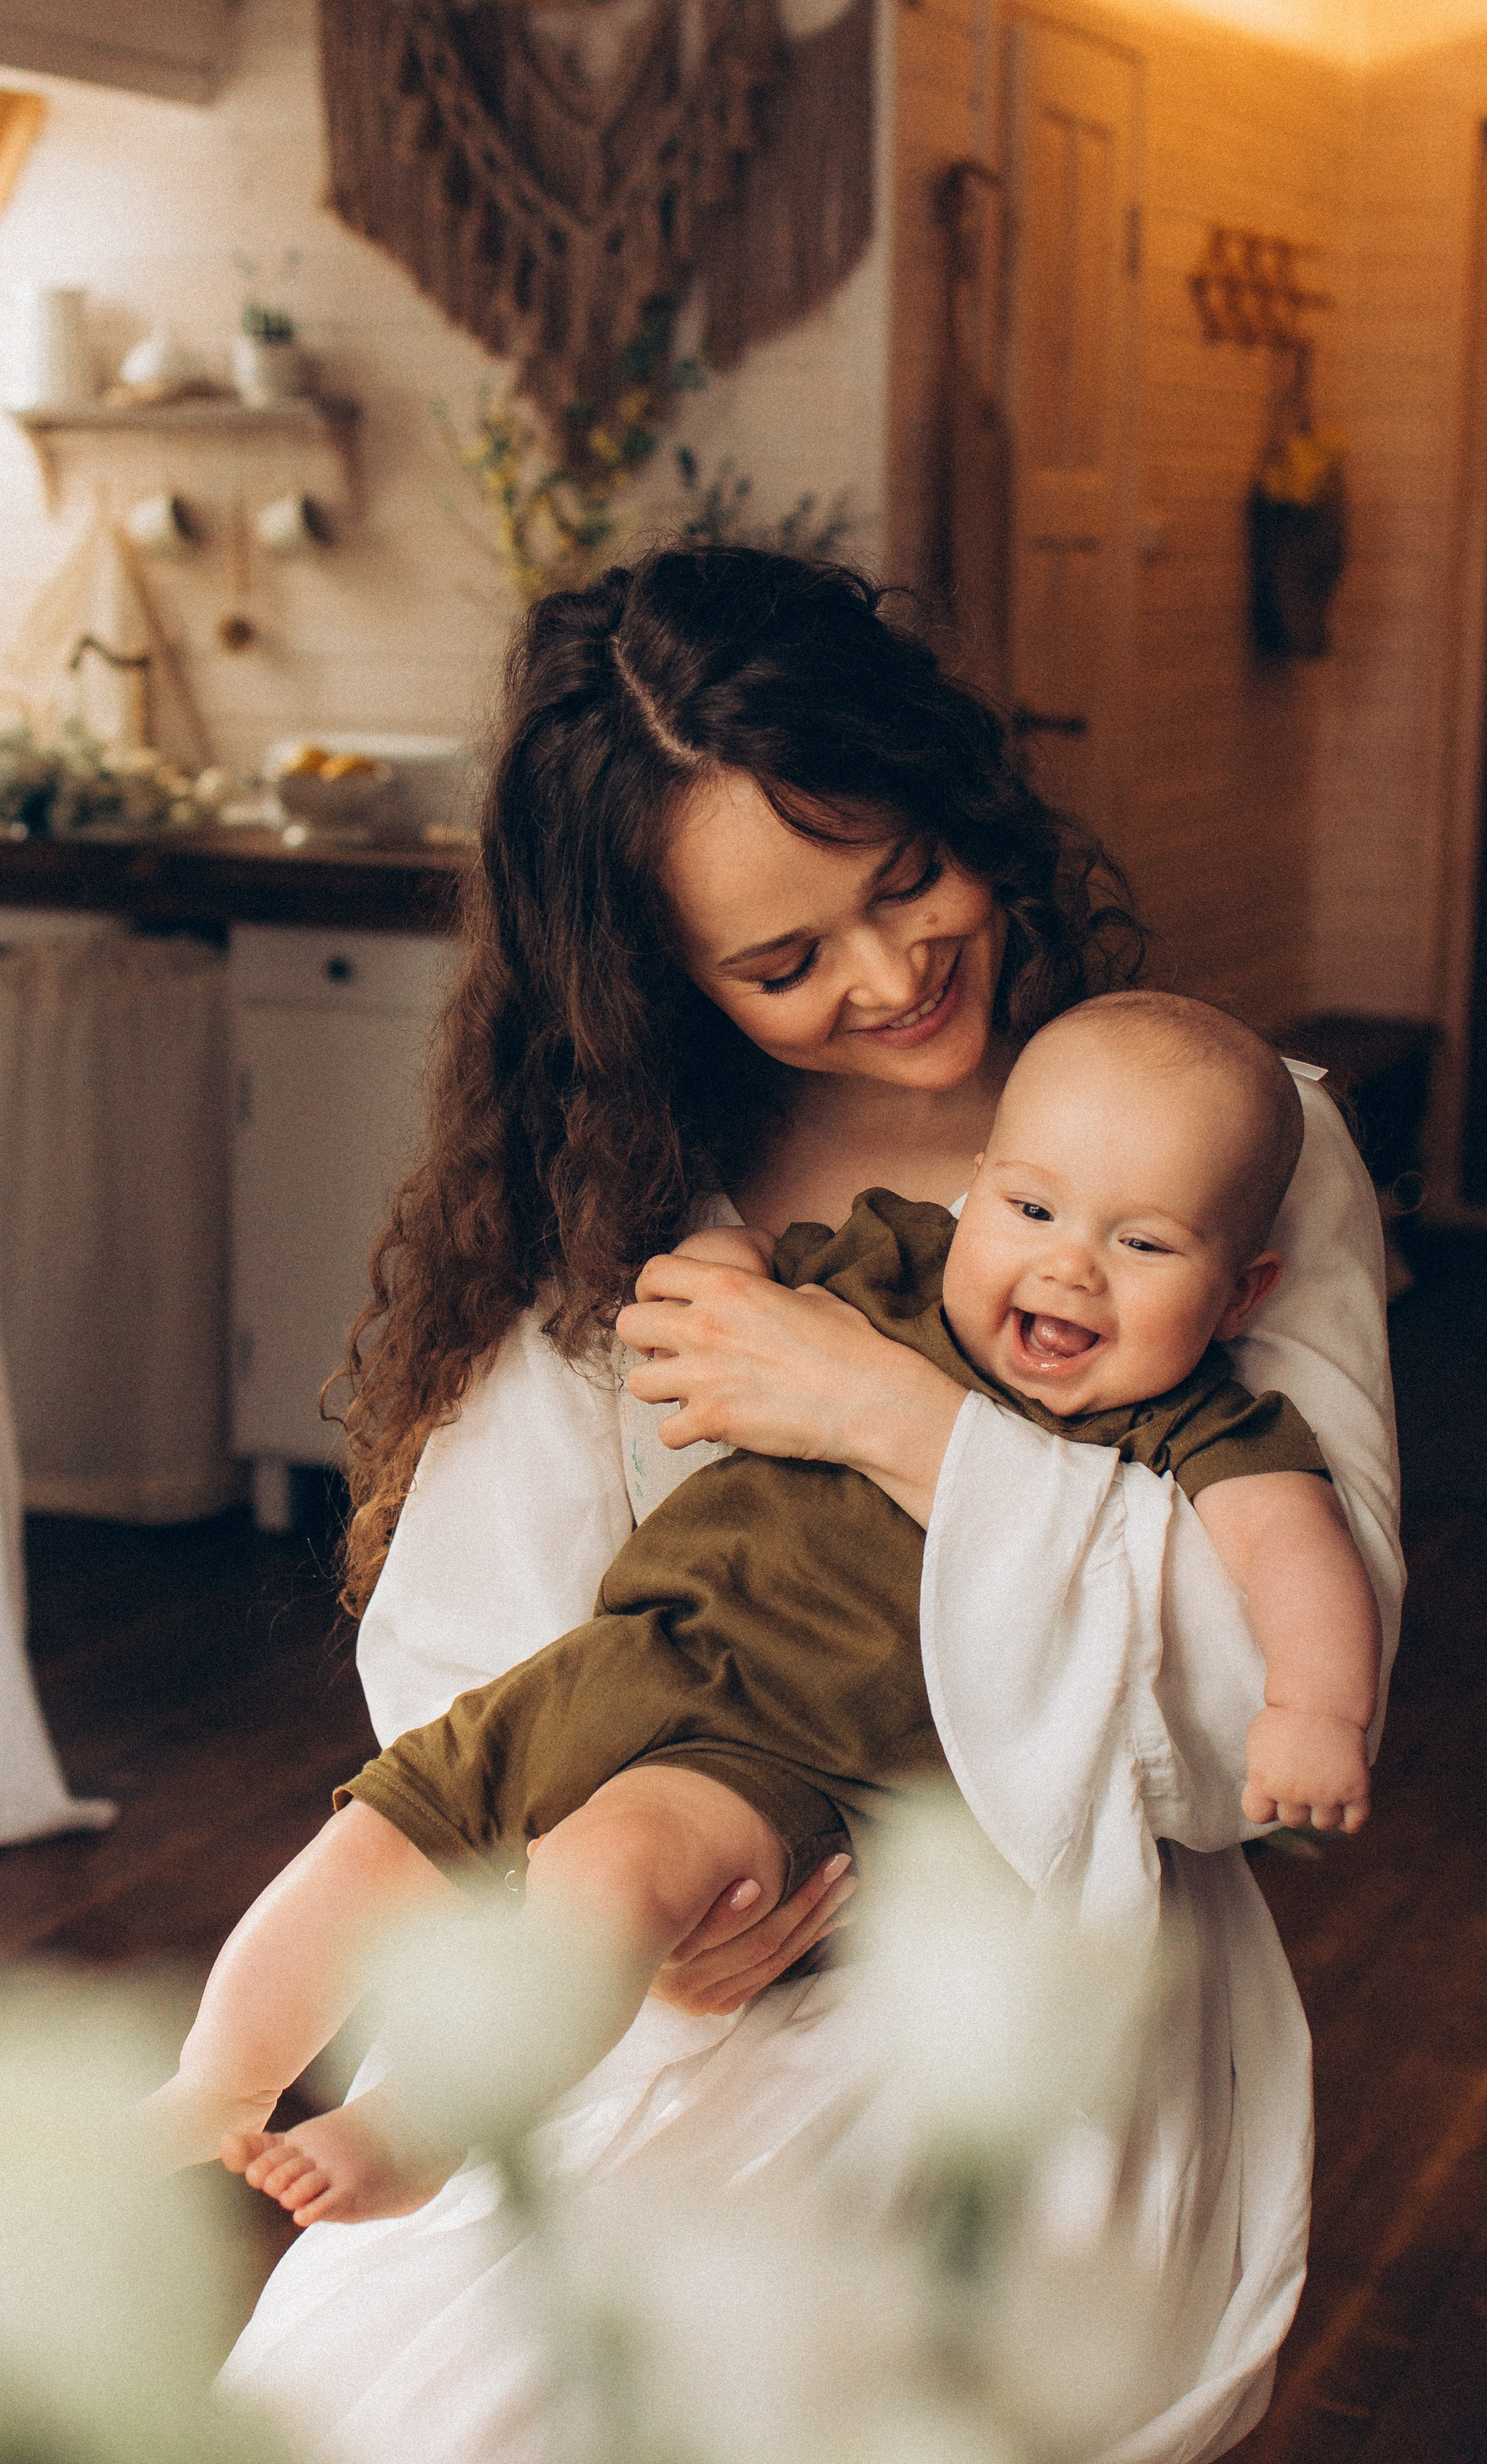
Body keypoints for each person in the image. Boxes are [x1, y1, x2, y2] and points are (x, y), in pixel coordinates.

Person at [219, 548, 1402, 2464]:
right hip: (663, 1948)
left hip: (1018, 1967)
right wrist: (646, 1916)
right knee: (375, 2402)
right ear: (661, 982)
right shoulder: (616, 1198)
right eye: (782, 965)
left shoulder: (1233, 1150)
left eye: (906, 876)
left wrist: (894, 1417)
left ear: (957, 796)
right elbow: (477, 1662)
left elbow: (1242, 1729)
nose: (891, 972)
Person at [160, 992, 1379, 2232]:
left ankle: (431, 2121)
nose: (1070, 1266)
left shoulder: (1190, 1418)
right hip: (632, 1657)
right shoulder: (891, 1266)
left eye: (1145, 1245)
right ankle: (222, 2079)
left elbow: (1297, 1548)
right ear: (977, 1189)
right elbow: (726, 1297)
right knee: (384, 1828)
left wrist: (1315, 1710)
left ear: (1242, 1293)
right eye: (1031, 1211)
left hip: (796, 1761)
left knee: (608, 1874)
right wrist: (724, 1271)